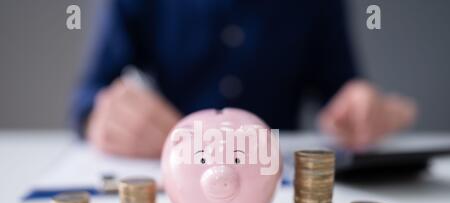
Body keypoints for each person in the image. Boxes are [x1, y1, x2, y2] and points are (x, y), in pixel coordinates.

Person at [71, 0, 416, 158]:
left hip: (275, 179)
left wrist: (360, 105)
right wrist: (100, 116)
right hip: (171, 164)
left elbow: (341, 88)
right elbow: (89, 95)